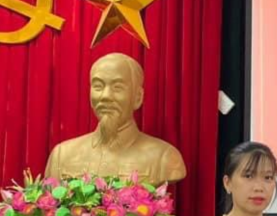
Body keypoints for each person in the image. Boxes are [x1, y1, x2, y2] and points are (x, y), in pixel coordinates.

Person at [44, 53, 187, 185]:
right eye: (98, 86)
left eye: (117, 87)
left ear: (138, 97)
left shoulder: (164, 158)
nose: (105, 96)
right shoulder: (62, 155)